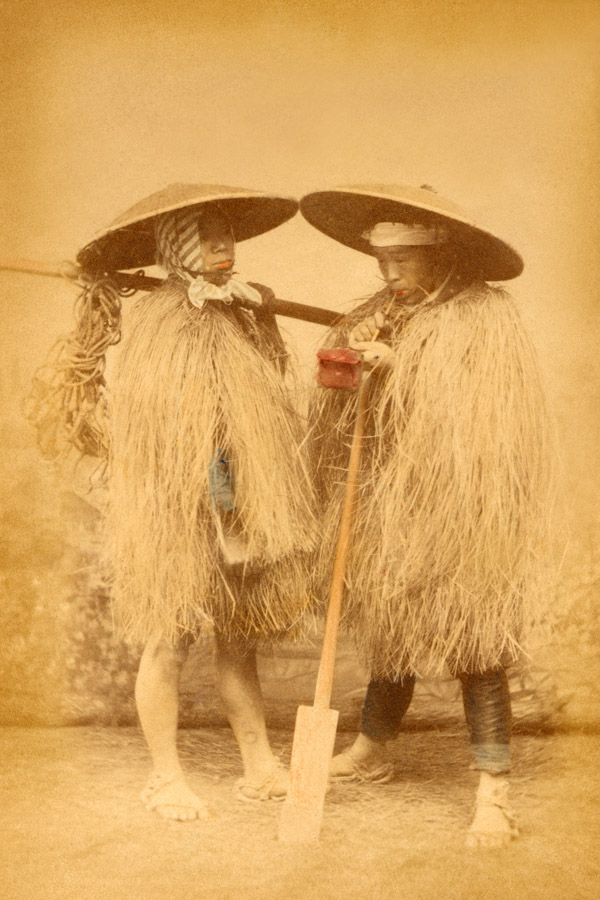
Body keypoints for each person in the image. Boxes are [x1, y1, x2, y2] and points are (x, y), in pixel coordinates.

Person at [31, 184, 316, 820]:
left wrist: (262, 315)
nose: (225, 244)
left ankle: (260, 764)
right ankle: (164, 778)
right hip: (182, 509)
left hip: (236, 502)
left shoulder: (234, 312)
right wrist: (222, 499)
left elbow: (261, 398)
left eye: (229, 233)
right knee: (170, 638)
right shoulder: (165, 320)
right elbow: (191, 432)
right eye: (207, 233)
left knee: (239, 638)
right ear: (175, 245)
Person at [301, 184, 552, 848]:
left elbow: (479, 417)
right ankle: (375, 747)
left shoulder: (483, 317)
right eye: (383, 261)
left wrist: (403, 364)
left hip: (461, 509)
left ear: (441, 255)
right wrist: (352, 358)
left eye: (403, 260)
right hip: (391, 502)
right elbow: (344, 398)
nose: (389, 274)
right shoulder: (383, 311)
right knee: (393, 629)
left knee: (475, 642)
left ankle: (493, 788)